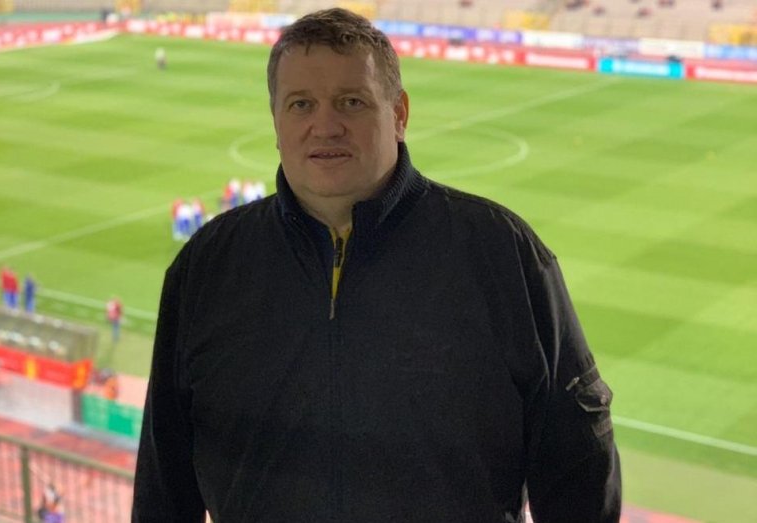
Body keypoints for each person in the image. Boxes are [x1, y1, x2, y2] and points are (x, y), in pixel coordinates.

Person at [133, 8, 621, 523]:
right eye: (301, 104)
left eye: (352, 101)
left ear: (400, 114)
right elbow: (164, 486)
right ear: (275, 120)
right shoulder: (207, 267)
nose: (326, 126)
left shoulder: (503, 255)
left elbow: (578, 470)